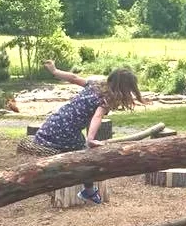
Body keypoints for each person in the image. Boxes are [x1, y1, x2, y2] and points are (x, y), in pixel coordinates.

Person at [33, 60, 143, 204]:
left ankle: (76, 187)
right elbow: (97, 116)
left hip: (52, 124)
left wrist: (55, 71)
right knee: (86, 160)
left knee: (70, 156)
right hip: (66, 131)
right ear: (123, 88)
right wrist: (90, 139)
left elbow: (73, 78)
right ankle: (88, 191)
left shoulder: (94, 85)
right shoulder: (107, 98)